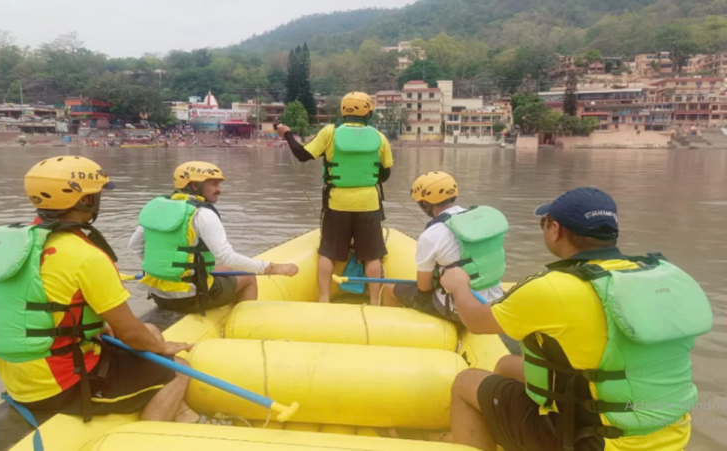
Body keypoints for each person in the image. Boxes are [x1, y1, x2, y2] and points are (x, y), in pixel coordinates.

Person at [442, 187, 712, 451]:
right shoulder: (664, 275)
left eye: (544, 223)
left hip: (592, 441)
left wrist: (459, 286)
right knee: (506, 365)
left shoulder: (552, 288)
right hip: (673, 434)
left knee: (466, 383)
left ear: (556, 230)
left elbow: (475, 321)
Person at [0, 156, 193, 422]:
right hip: (60, 384)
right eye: (96, 195)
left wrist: (105, 330)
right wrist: (161, 349)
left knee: (152, 331)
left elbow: (42, 304)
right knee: (181, 370)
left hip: (18, 378)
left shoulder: (17, 244)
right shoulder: (86, 256)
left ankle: (185, 415)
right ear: (85, 200)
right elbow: (130, 332)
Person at [129, 161, 298, 314]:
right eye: (214, 184)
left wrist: (167, 270)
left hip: (159, 295)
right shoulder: (202, 213)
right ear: (195, 185)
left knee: (222, 268)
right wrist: (274, 268)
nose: (220, 189)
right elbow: (227, 256)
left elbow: (135, 245)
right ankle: (244, 325)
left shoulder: (159, 208)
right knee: (248, 277)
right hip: (190, 297)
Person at [276, 92, 394, 305]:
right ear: (369, 112)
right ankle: (375, 301)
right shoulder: (379, 137)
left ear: (343, 110)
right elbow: (384, 174)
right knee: (372, 255)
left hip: (337, 203)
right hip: (368, 203)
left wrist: (287, 134)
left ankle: (324, 298)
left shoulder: (330, 133)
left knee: (328, 252)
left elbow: (302, 155)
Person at [381, 171, 508, 320]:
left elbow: (424, 287)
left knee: (389, 288)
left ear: (424, 203)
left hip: (458, 310)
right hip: (495, 300)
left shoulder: (431, 235)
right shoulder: (479, 220)